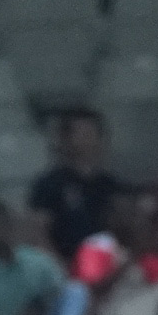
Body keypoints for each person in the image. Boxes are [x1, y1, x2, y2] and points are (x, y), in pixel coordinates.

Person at [29, 110, 125, 262]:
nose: (89, 139)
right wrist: (61, 268)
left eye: (92, 133)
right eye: (82, 133)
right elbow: (39, 233)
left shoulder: (110, 185)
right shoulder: (49, 185)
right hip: (68, 266)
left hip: (109, 266)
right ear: (65, 139)